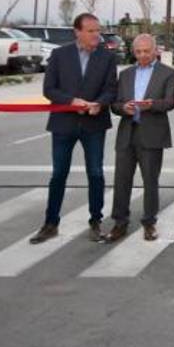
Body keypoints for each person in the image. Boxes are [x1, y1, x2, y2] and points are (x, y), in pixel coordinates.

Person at [30, 13, 118, 244]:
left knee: (96, 173)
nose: (96, 35)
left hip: (94, 123)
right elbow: (49, 89)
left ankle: (95, 221)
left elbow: (111, 89)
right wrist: (72, 102)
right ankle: (51, 223)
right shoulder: (60, 55)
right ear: (77, 32)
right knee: (59, 174)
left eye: (98, 30)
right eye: (91, 31)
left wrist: (99, 103)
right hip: (64, 123)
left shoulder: (107, 57)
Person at [104, 34, 174, 242]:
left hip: (152, 134)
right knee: (121, 180)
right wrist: (123, 108)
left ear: (155, 50)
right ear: (133, 52)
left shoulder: (167, 73)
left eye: (146, 51)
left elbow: (170, 102)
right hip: (127, 133)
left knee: (150, 181)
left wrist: (151, 105)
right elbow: (115, 104)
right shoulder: (125, 74)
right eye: (138, 52)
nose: (142, 55)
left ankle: (149, 222)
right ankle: (119, 222)